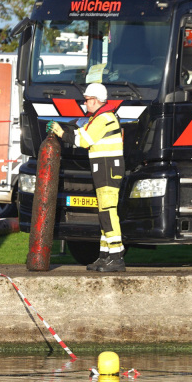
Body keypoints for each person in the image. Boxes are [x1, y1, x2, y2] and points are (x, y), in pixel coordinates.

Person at [48, 83, 126, 272]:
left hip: (108, 171)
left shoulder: (104, 119)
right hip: (104, 170)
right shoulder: (100, 117)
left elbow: (83, 140)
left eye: (87, 100)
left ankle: (116, 257)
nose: (85, 104)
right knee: (104, 214)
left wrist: (60, 132)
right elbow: (81, 132)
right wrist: (66, 129)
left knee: (107, 212)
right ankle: (104, 256)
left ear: (97, 100)